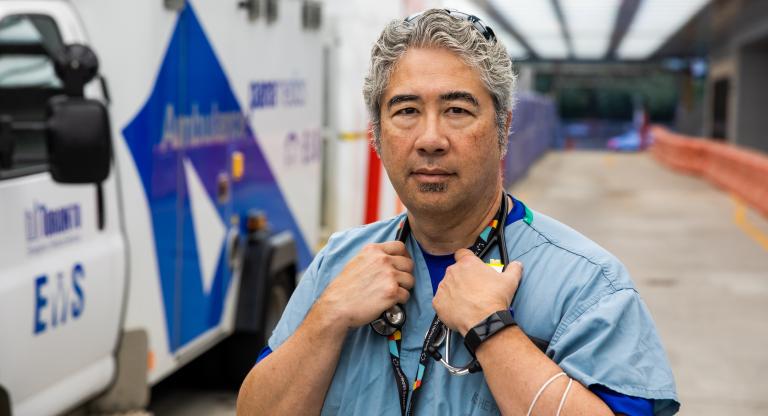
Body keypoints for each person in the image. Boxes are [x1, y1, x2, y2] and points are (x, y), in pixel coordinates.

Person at [237, 9, 679, 415]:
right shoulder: (338, 263)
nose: (430, 138)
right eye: (406, 110)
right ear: (376, 134)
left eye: (457, 110)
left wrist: (491, 330)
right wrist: (329, 316)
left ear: (503, 127)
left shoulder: (586, 286)